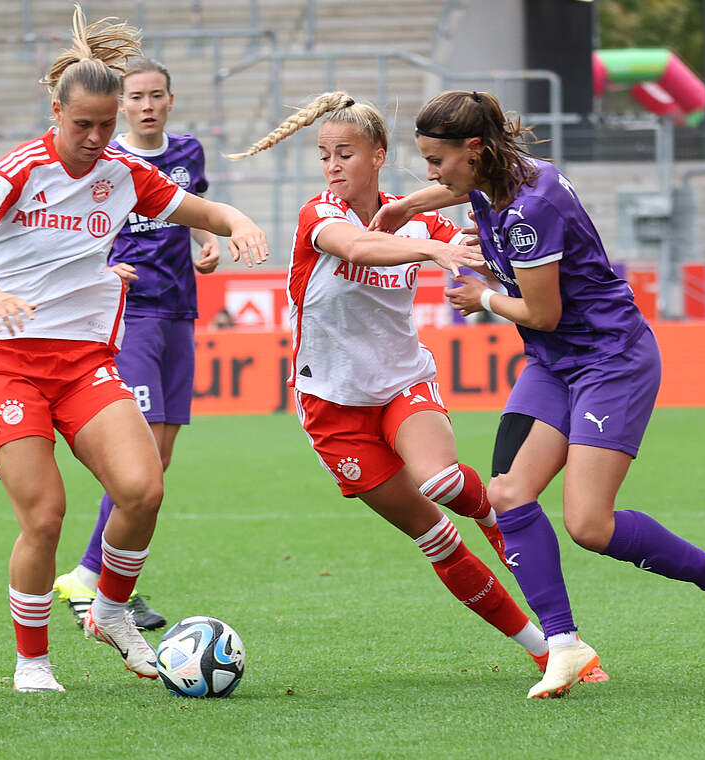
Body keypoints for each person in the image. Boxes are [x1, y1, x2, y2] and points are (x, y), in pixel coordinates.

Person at [0, 5, 267, 694]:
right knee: (46, 513)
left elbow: (198, 211)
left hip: (84, 364)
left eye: (105, 124)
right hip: (8, 364)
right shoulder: (20, 169)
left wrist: (234, 221)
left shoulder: (123, 173)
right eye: (81, 123)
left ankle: (110, 610)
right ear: (56, 110)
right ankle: (32, 663)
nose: (93, 137)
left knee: (143, 488)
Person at [398, 89, 705, 698]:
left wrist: (479, 297)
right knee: (509, 494)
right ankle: (564, 646)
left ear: (475, 151)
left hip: (609, 360)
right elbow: (456, 191)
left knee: (589, 524)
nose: (433, 174)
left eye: (437, 160)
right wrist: (401, 207)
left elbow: (540, 311)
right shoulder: (509, 174)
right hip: (554, 362)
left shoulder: (530, 210)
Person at [227, 91, 593, 681]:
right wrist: (433, 247)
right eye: (324, 156)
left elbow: (479, 237)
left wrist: (486, 276)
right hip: (331, 409)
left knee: (444, 482)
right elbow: (358, 246)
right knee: (436, 538)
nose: (333, 167)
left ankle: (550, 607)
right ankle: (542, 649)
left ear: (379, 154)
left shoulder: (415, 213)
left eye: (345, 153)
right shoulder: (320, 216)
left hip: (402, 383)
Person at [52, 57, 221, 632]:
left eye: (157, 95)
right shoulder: (109, 160)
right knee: (140, 456)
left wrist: (207, 240)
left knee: (162, 457)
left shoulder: (188, 153)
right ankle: (95, 579)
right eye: (137, 96)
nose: (147, 105)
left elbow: (189, 208)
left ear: (170, 100)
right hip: (131, 314)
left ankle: (99, 576)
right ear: (121, 105)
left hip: (180, 311)